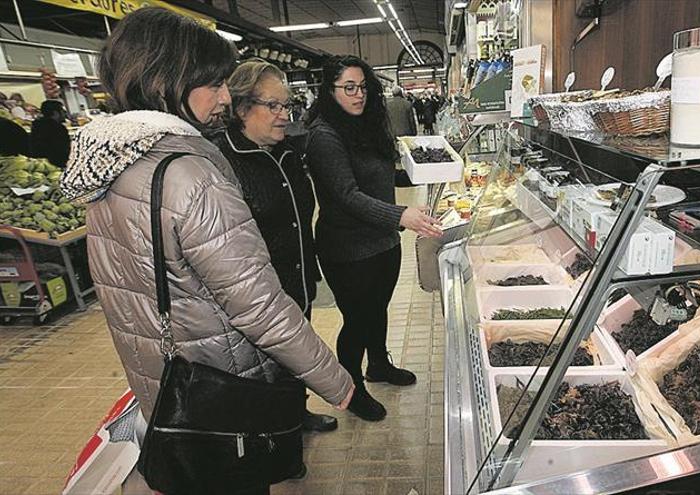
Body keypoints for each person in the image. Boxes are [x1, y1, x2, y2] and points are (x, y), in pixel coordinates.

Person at [59, 8, 353, 491]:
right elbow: (256, 303)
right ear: (169, 79)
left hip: (162, 380)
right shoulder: (191, 176)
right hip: (220, 383)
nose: (223, 98)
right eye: (214, 83)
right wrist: (334, 380)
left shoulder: (110, 166)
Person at [306, 55, 442, 422]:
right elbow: (347, 195)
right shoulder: (324, 136)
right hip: (348, 249)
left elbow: (380, 178)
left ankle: (379, 365)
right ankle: (351, 389)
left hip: (383, 242)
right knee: (356, 321)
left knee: (377, 310)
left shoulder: (365, 125)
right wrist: (402, 215)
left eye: (362, 86)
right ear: (329, 90)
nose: (358, 94)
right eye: (348, 87)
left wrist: (424, 172)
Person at [215, 59, 338, 434]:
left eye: (287, 106)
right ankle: (275, 439)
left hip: (296, 278)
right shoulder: (224, 162)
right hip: (258, 297)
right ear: (241, 108)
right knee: (265, 370)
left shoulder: (285, 152)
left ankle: (295, 417)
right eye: (274, 106)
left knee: (294, 357)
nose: (285, 115)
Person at [29, 100, 71, 167]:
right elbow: (63, 151)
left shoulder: (36, 126)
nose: (65, 114)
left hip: (41, 165)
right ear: (56, 113)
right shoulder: (58, 129)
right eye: (63, 111)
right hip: (57, 165)